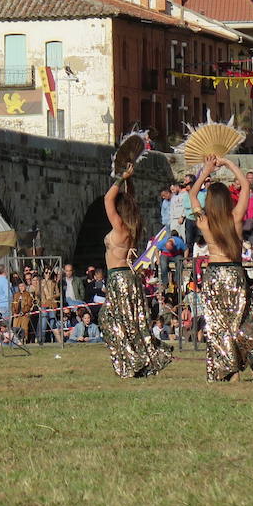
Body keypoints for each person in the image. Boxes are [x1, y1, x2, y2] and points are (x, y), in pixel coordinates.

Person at [190, 155, 253, 382]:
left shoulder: (204, 221)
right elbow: (245, 185)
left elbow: (192, 194)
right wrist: (227, 164)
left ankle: (231, 369)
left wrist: (206, 170)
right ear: (227, 199)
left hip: (214, 273)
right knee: (244, 319)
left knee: (219, 324)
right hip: (234, 272)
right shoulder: (235, 217)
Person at [100, 162, 172, 378]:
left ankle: (132, 360)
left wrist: (121, 177)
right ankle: (137, 360)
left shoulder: (120, 227)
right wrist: (130, 181)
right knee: (131, 322)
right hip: (129, 277)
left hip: (119, 278)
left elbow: (107, 199)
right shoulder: (133, 226)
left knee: (109, 320)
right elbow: (130, 199)